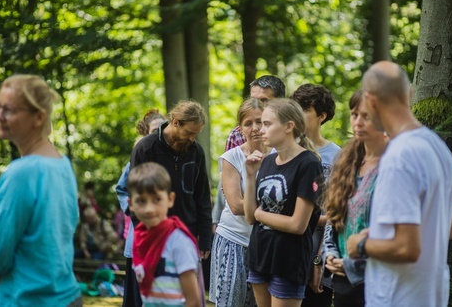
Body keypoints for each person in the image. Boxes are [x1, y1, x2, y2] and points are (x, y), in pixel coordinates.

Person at [346, 61, 452, 306]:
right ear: (409, 94)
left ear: (370, 100)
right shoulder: (435, 145)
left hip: (398, 296)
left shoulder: (398, 156)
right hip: (430, 296)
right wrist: (383, 235)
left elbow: (407, 248)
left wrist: (361, 244)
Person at [0, 74, 82, 306]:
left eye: (9, 110)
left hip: (26, 300)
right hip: (67, 296)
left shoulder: (22, 172)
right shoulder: (62, 163)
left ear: (38, 117)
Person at [244, 98, 323, 307]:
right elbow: (250, 216)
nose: (261, 130)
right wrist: (250, 176)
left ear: (289, 126)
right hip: (260, 255)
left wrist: (261, 214)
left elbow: (298, 225)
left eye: (267, 124)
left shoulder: (308, 164)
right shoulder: (268, 160)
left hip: (289, 260)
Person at [321, 90, 387, 307]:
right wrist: (330, 255)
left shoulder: (393, 164)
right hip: (343, 282)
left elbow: (395, 234)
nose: (358, 122)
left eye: (365, 116)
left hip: (378, 282)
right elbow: (333, 217)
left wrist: (352, 264)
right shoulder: (346, 161)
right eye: (354, 114)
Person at [210, 98, 268, 307]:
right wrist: (273, 214)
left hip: (267, 243)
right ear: (240, 128)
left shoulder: (280, 156)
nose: (255, 128)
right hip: (233, 239)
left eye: (260, 121)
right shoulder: (231, 158)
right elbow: (235, 205)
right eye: (248, 123)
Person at [292, 84, 341, 307]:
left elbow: (335, 212)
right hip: (286, 246)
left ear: (321, 116)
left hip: (318, 242)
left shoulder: (337, 156)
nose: (297, 115)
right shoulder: (281, 149)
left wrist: (318, 259)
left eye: (305, 109)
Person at [127, 162, 202, 307]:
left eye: (157, 199)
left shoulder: (179, 242)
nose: (149, 209)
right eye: (141, 201)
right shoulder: (139, 238)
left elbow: (193, 301)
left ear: (170, 199)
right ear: (131, 204)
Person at [116, 109, 166, 307]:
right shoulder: (137, 158)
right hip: (139, 239)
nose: (159, 134)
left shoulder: (176, 157)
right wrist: (136, 209)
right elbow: (121, 188)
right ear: (146, 134)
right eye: (154, 130)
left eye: (163, 129)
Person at [225, 75, 286, 151]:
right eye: (253, 100)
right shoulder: (237, 134)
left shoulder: (291, 129)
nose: (256, 104)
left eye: (264, 100)